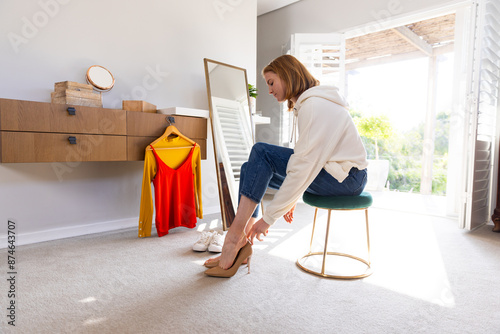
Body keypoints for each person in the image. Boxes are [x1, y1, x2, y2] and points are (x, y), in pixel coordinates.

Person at [204, 54, 368, 277]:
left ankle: (234, 237)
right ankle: (241, 242)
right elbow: (305, 159)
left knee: (261, 152)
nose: (269, 91)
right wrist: (290, 198)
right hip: (333, 173)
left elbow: (304, 167)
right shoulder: (310, 103)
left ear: (288, 75)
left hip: (346, 179)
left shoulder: (314, 105)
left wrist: (268, 219)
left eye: (271, 82)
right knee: (249, 168)